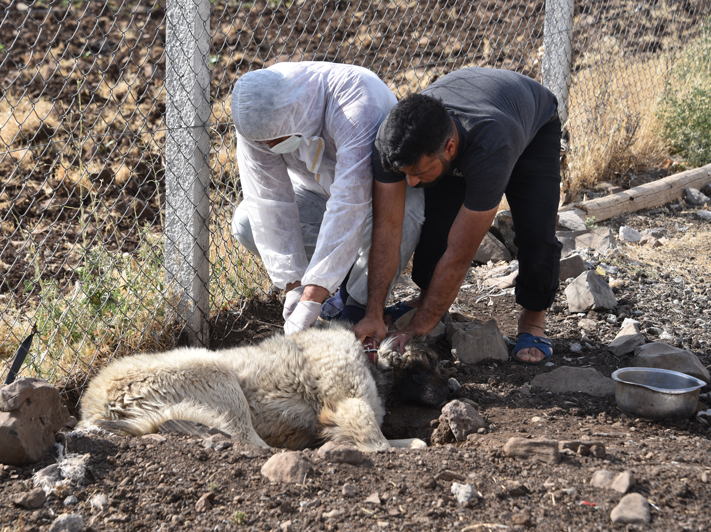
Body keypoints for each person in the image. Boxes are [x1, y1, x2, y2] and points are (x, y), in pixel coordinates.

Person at [353, 67, 563, 364]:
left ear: (449, 148)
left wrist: (416, 330)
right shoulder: (391, 140)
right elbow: (386, 229)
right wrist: (373, 312)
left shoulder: (492, 143)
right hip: (468, 114)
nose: (410, 183)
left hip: (531, 123)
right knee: (436, 225)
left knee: (535, 231)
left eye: (418, 172)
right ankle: (426, 299)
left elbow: (459, 254)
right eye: (406, 173)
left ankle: (533, 318)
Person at [230, 62, 424, 335]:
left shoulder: (357, 102)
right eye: (265, 143)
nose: (271, 147)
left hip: (380, 198)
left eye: (276, 139)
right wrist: (295, 286)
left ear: (296, 109)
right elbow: (269, 202)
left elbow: (350, 201)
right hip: (319, 194)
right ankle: (343, 277)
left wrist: (313, 296)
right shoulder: (256, 122)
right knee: (247, 223)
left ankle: (357, 306)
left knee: (406, 213)